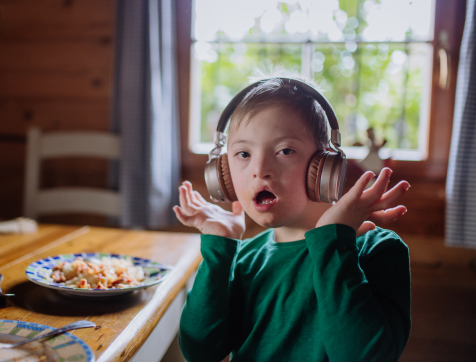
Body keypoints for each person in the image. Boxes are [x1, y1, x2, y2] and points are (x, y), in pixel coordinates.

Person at [173, 75, 411, 362]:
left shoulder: (377, 249)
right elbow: (200, 351)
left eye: (285, 151)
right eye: (243, 153)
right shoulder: (246, 257)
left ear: (324, 169)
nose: (260, 170)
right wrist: (219, 249)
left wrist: (333, 241)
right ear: (223, 173)